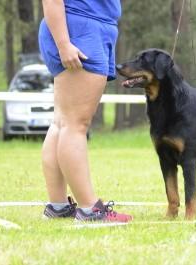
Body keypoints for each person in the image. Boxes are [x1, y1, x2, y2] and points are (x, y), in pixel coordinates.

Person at [38, 0, 132, 222]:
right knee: (75, 125)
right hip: (79, 31)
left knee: (62, 123)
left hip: (89, 29)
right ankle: (91, 210)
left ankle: (58, 206)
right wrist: (63, 44)